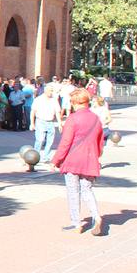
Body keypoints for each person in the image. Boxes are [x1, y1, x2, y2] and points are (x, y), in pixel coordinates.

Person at [52, 88, 105, 236]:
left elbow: (65, 142)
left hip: (73, 160)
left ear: (75, 102)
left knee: (73, 192)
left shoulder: (73, 119)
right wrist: (96, 155)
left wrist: (55, 160)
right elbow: (100, 143)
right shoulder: (96, 119)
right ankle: (96, 216)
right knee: (87, 190)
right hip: (90, 160)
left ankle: (76, 224)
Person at [30, 82, 63, 166]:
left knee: (50, 141)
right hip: (40, 121)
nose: (51, 92)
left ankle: (46, 157)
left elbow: (57, 112)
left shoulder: (54, 100)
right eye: (50, 90)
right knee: (40, 140)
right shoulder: (38, 99)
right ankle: (35, 156)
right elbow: (33, 112)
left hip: (50, 122)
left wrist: (59, 123)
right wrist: (32, 123)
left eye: (52, 91)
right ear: (45, 91)